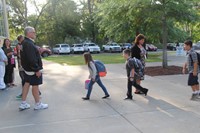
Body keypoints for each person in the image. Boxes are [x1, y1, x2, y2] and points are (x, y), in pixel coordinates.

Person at [19, 26, 48, 110]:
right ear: (29, 33)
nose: (35, 34)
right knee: (35, 85)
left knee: (26, 84)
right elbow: (31, 59)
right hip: (32, 70)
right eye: (33, 32)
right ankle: (38, 104)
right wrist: (37, 69)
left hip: (27, 69)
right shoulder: (28, 43)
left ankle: (23, 103)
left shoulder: (24, 42)